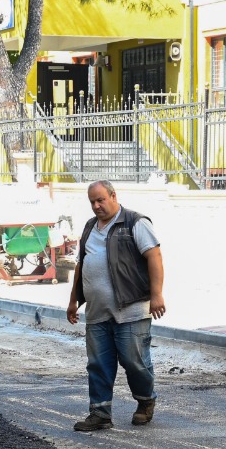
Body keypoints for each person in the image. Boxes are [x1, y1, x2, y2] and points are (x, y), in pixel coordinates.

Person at [64, 180, 166, 432]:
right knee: (98, 363)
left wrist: (157, 295)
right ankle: (99, 413)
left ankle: (145, 402)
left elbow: (154, 256)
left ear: (113, 196)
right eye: (92, 202)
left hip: (131, 309)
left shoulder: (134, 222)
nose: (96, 206)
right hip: (98, 311)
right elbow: (81, 265)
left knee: (135, 361)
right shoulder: (89, 227)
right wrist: (73, 300)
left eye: (101, 200)